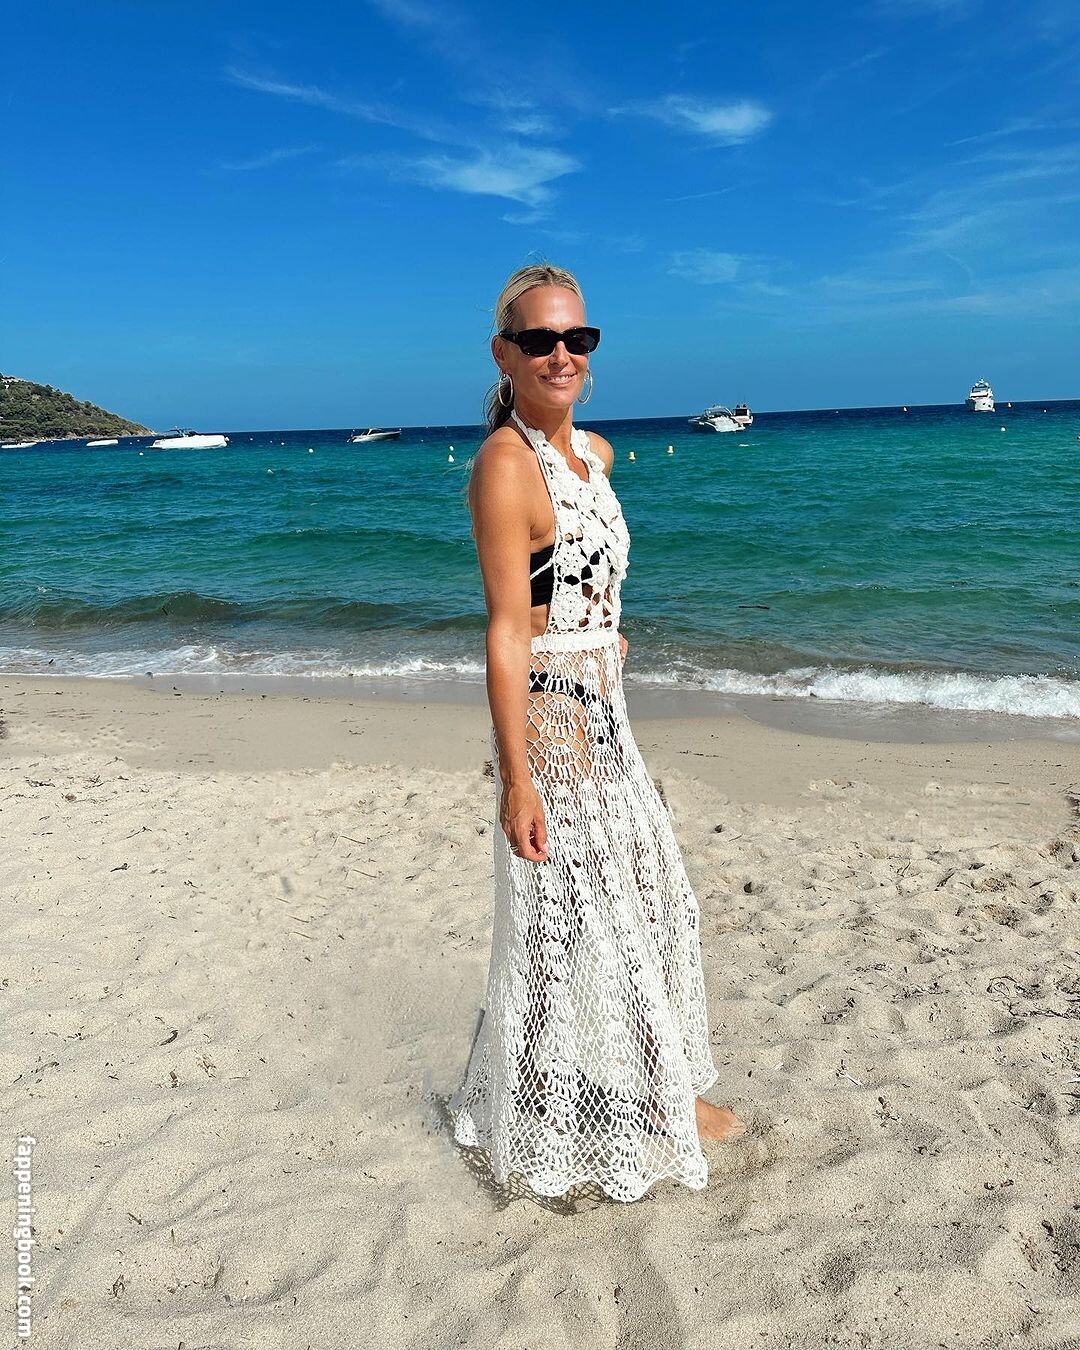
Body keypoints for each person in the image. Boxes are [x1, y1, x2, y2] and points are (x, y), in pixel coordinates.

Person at [448, 262, 746, 1203]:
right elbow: (506, 628)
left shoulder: (597, 455)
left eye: (577, 338)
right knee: (614, 913)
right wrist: (516, 778)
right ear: (504, 354)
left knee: (594, 916)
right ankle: (664, 1101)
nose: (561, 355)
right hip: (553, 725)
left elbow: (572, 580)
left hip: (606, 711)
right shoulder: (506, 466)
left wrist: (602, 631)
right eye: (539, 340)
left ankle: (525, 1081)